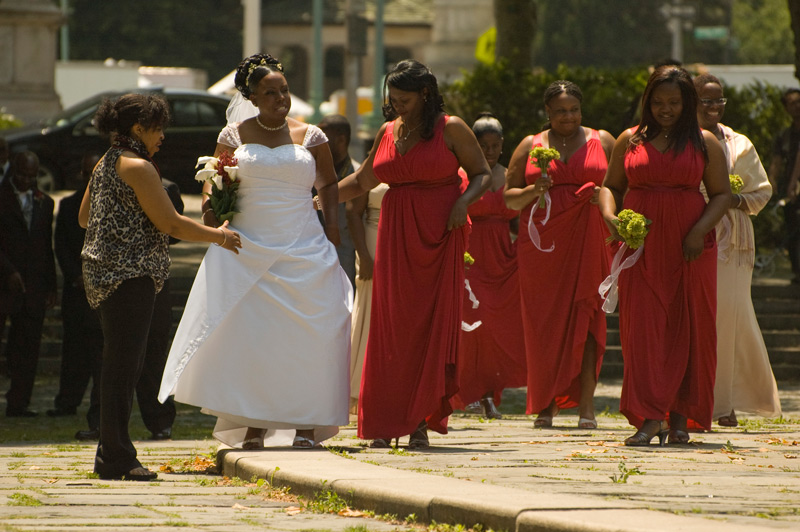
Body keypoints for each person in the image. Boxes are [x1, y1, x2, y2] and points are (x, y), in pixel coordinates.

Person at [158, 53, 352, 451]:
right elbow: (215, 178)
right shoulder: (234, 135)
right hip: (248, 243)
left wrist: (331, 229)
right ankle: (253, 423)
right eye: (270, 92)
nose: (281, 98)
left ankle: (307, 424)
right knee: (255, 337)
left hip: (304, 246)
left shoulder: (311, 135)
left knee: (310, 334)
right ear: (252, 96)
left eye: (284, 90)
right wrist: (212, 209)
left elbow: (329, 184)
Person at [80, 93, 241, 481]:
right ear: (139, 128)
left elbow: (84, 217)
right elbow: (172, 225)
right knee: (124, 367)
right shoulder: (139, 167)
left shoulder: (107, 161)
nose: (162, 136)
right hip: (129, 275)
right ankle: (116, 455)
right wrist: (220, 237)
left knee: (119, 364)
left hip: (102, 274)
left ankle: (111, 452)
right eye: (158, 128)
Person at [334, 59, 492, 449]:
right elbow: (363, 179)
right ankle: (386, 421)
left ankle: (420, 420)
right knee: (390, 330)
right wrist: (314, 196)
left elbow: (483, 174)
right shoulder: (388, 131)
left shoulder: (450, 128)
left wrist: (463, 203)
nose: (397, 106)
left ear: (424, 94)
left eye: (404, 99)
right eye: (393, 99)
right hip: (395, 234)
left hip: (440, 233)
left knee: (428, 328)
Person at [599, 65, 730, 446]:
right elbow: (611, 187)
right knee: (644, 332)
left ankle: (679, 419)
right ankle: (650, 416)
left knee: (689, 329)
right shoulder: (629, 139)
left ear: (688, 102)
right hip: (643, 249)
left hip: (689, 246)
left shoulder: (705, 142)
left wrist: (698, 231)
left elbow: (722, 194)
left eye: (674, 102)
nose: (666, 109)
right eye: (658, 102)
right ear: (647, 102)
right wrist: (611, 218)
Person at [504, 81, 615, 429]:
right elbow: (508, 198)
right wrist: (532, 189)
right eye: (560, 111)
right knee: (543, 325)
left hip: (589, 235)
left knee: (588, 315)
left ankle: (586, 407)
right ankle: (545, 403)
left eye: (574, 110)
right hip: (543, 243)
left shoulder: (604, 140)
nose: (568, 117)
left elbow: (622, 188)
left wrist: (604, 198)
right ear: (548, 113)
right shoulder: (530, 145)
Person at [694, 73, 782, 427]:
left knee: (729, 316)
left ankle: (723, 402)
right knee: (698, 316)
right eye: (706, 101)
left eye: (719, 101)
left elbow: (763, 190)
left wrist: (732, 199)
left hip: (733, 238)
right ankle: (693, 398)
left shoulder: (738, 143)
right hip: (690, 231)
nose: (714, 108)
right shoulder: (679, 139)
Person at [452, 113, 526, 419]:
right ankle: (464, 393)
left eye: (496, 145)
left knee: (497, 331)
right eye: (484, 145)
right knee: (472, 328)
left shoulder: (510, 176)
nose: (491, 151)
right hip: (471, 257)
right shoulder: (462, 175)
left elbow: (522, 218)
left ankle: (488, 395)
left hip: (503, 261)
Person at [48, 152, 105, 426]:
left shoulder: (113, 203)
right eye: (86, 173)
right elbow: (60, 246)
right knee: (73, 351)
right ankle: (67, 401)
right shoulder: (69, 205)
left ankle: (100, 408)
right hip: (77, 290)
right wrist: (76, 276)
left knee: (102, 354)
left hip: (105, 290)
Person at [1, 151, 57, 417]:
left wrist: (51, 286)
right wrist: (8, 271)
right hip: (4, 281)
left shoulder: (45, 203)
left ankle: (19, 402)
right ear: (13, 171)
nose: (26, 180)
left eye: (31, 176)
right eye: (22, 175)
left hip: (33, 284)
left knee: (28, 346)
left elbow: (46, 246)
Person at [345, 181, 389, 415]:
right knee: (370, 311)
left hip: (403, 241)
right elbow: (353, 213)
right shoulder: (372, 168)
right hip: (372, 244)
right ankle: (363, 387)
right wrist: (364, 254)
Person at [317, 114, 358, 289]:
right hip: (311, 257)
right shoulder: (311, 172)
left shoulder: (356, 177)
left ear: (341, 140)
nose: (317, 144)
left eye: (324, 139)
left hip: (344, 262)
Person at [771, 88, 800, 284]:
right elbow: (776, 161)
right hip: (791, 191)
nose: (797, 106)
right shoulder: (784, 135)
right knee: (792, 230)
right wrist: (771, 182)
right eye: (792, 103)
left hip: (794, 186)